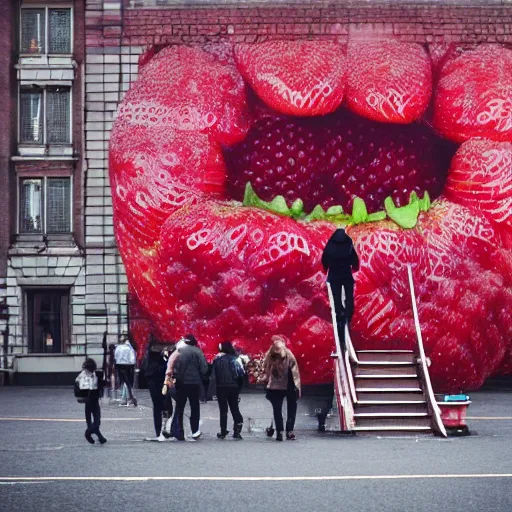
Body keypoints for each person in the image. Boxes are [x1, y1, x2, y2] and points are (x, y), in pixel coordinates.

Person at [321, 228, 360, 348]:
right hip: (346, 276)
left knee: (337, 298)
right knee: (349, 297)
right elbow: (354, 260)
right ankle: (348, 313)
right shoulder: (348, 244)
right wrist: (354, 267)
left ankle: (340, 315)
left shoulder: (330, 245)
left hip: (334, 277)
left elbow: (324, 260)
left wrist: (326, 268)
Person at [165, 334, 208, 441]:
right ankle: (195, 431)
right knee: (195, 407)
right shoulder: (198, 352)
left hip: (181, 382)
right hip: (194, 383)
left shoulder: (179, 351)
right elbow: (204, 368)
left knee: (180, 406)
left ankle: (178, 431)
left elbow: (172, 365)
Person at [263, 336, 301, 441]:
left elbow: (265, 370)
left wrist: (266, 383)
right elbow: (295, 372)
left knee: (277, 410)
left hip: (274, 387)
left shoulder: (269, 355)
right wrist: (297, 387)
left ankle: (279, 431)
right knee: (292, 409)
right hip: (289, 386)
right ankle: (289, 431)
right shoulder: (289, 355)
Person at [212, 341, 245, 440]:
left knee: (223, 410)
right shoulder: (235, 359)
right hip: (233, 387)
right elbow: (241, 374)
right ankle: (237, 430)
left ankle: (223, 431)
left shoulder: (217, 360)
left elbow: (213, 375)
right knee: (235, 408)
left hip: (221, 387)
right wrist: (238, 388)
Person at [75, 358, 107, 445]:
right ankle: (88, 433)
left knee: (90, 420)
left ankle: (99, 437)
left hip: (87, 400)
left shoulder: (82, 375)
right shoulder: (92, 375)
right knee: (97, 421)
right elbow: (97, 386)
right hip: (93, 400)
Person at [143, 338, 168, 441]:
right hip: (159, 382)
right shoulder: (159, 359)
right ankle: (164, 429)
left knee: (157, 407)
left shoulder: (149, 358)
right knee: (163, 406)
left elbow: (145, 369)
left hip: (153, 382)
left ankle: (160, 431)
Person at [114, 334, 138, 407]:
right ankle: (129, 398)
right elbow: (132, 358)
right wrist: (134, 364)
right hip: (128, 365)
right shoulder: (129, 348)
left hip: (119, 365)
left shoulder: (118, 347)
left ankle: (124, 398)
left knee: (124, 382)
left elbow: (116, 356)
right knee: (128, 383)